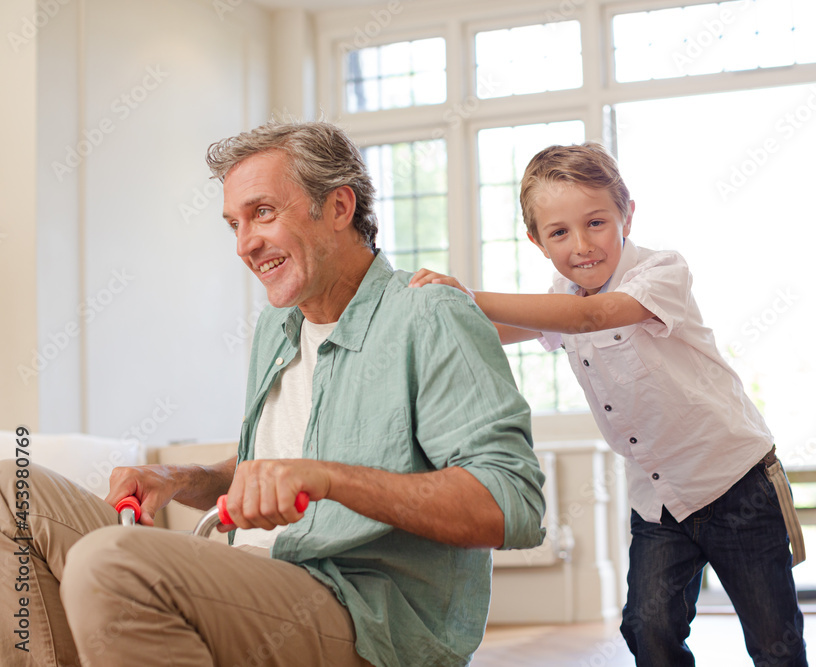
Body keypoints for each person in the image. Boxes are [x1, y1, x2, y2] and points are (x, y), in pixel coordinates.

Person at [0, 121, 546, 667]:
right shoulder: (277, 326)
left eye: (262, 212)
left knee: (112, 560)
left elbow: (509, 504)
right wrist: (180, 478)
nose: (244, 245)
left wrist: (328, 479)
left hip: (364, 615)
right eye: (233, 224)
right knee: (10, 489)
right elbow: (269, 467)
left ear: (339, 207)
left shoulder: (428, 313)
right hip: (258, 578)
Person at [409, 142, 808, 667]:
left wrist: (466, 295)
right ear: (537, 241)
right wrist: (435, 312)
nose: (581, 246)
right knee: (647, 627)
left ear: (627, 216)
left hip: (736, 482)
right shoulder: (563, 295)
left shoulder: (661, 272)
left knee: (774, 639)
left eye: (596, 223)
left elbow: (592, 317)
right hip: (659, 500)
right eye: (559, 233)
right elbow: (503, 328)